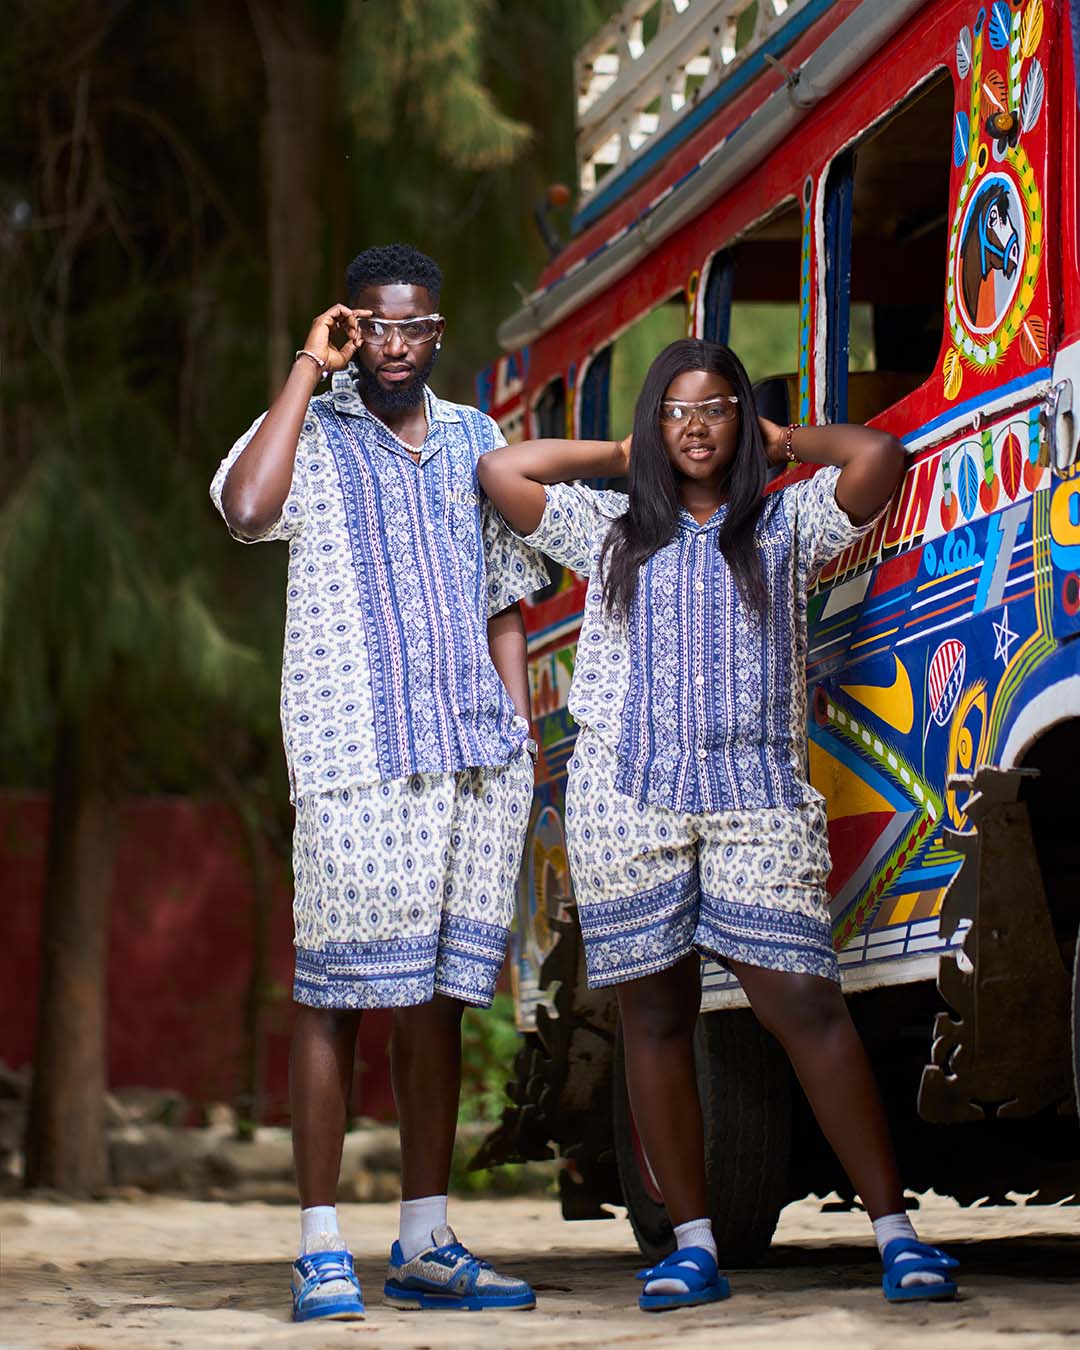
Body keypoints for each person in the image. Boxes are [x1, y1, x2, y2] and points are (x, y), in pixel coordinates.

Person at [477, 337, 960, 1312]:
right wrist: (622, 455)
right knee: (656, 1019)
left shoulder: (785, 523)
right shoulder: (611, 528)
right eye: (676, 412)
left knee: (805, 1005)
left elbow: (878, 457)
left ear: (742, 417)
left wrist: (784, 441)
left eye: (715, 408)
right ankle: (692, 1248)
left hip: (756, 798)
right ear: (654, 425)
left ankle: (896, 1235)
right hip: (627, 800)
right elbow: (501, 470)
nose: (695, 427)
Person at [210, 244, 547, 1321]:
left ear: (437, 331)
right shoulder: (309, 431)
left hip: (470, 757)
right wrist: (308, 366)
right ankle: (320, 1249)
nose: (396, 346)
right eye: (376, 326)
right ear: (352, 325)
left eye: (415, 327)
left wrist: (516, 728)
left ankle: (424, 1240)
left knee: (439, 1000)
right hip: (353, 758)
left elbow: (504, 595)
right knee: (333, 997)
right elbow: (247, 509)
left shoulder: (476, 437)